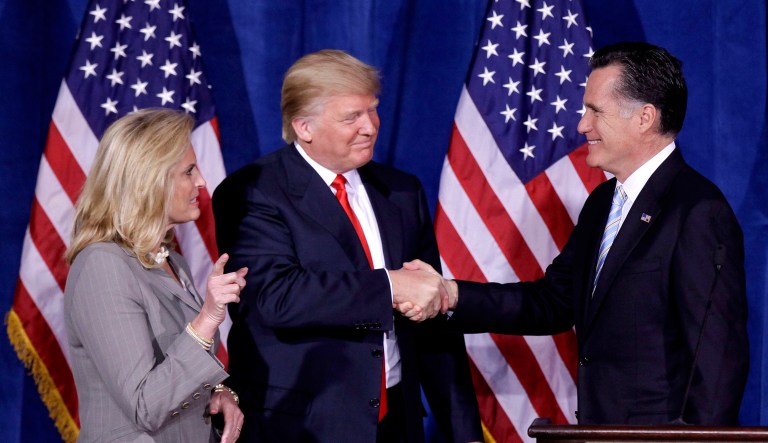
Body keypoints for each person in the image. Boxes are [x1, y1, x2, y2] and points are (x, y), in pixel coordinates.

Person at [406, 42, 749, 425]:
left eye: (595, 111)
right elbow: (553, 302)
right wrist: (452, 294)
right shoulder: (603, 201)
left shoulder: (698, 211)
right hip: (599, 430)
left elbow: (718, 359)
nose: (582, 125)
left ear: (645, 118)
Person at [212, 49, 482, 442]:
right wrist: (390, 286)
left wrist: (464, 432)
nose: (370, 126)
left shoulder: (401, 191)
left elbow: (432, 315)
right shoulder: (253, 191)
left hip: (396, 422)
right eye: (351, 117)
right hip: (299, 426)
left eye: (372, 110)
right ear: (304, 127)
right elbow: (276, 297)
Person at [64, 109, 247, 442]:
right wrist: (207, 318)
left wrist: (218, 392)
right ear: (149, 179)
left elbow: (178, 369)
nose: (202, 182)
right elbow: (145, 405)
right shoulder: (102, 266)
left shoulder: (171, 259)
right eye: (188, 171)